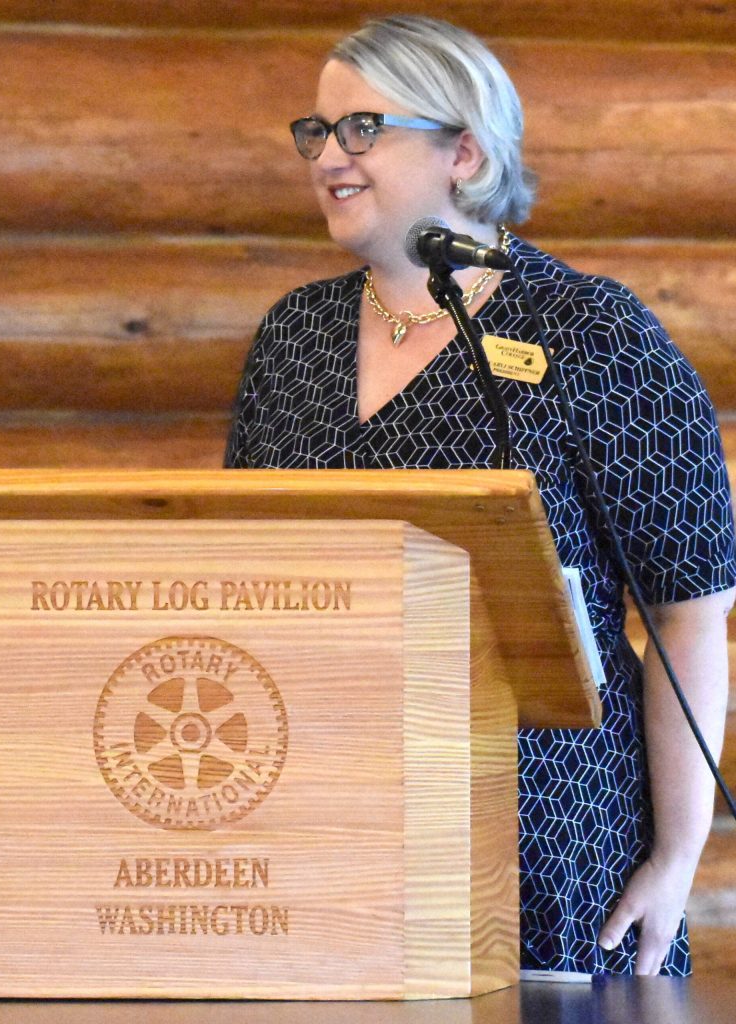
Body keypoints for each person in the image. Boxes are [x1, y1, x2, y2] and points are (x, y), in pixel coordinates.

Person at [225, 14, 736, 976]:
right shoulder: (292, 337)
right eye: (318, 131)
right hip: (329, 830)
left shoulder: (591, 333)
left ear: (464, 152)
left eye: (363, 128)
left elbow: (689, 614)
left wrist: (676, 857)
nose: (329, 155)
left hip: (543, 832)